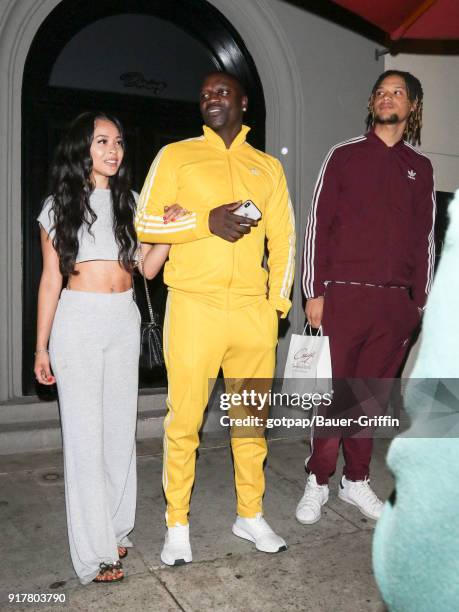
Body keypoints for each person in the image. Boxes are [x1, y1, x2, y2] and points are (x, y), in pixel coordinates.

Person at [135, 71, 295, 565]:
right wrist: (206, 220)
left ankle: (250, 514)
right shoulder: (177, 156)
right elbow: (144, 221)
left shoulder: (266, 167)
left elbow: (284, 239)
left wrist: (276, 306)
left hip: (252, 313)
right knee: (184, 422)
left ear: (243, 103)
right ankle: (177, 523)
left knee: (250, 423)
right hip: (194, 306)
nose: (211, 98)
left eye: (221, 92)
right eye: (204, 93)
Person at [34, 111, 178, 584]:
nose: (113, 149)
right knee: (84, 439)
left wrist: (168, 234)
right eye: (101, 141)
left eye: (117, 141)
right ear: (82, 149)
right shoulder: (57, 207)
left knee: (119, 433)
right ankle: (94, 554)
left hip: (123, 319)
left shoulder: (132, 201)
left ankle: (116, 528)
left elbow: (147, 268)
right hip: (77, 322)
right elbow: (51, 280)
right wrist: (41, 348)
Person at [297, 70, 436, 524]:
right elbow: (317, 225)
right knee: (333, 396)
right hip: (342, 298)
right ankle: (318, 480)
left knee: (370, 399)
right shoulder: (344, 155)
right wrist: (313, 291)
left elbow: (426, 240)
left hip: (394, 306)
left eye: (397, 92)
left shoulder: (422, 168)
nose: (387, 98)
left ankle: (355, 480)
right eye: (381, 91)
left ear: (412, 106)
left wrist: (419, 304)